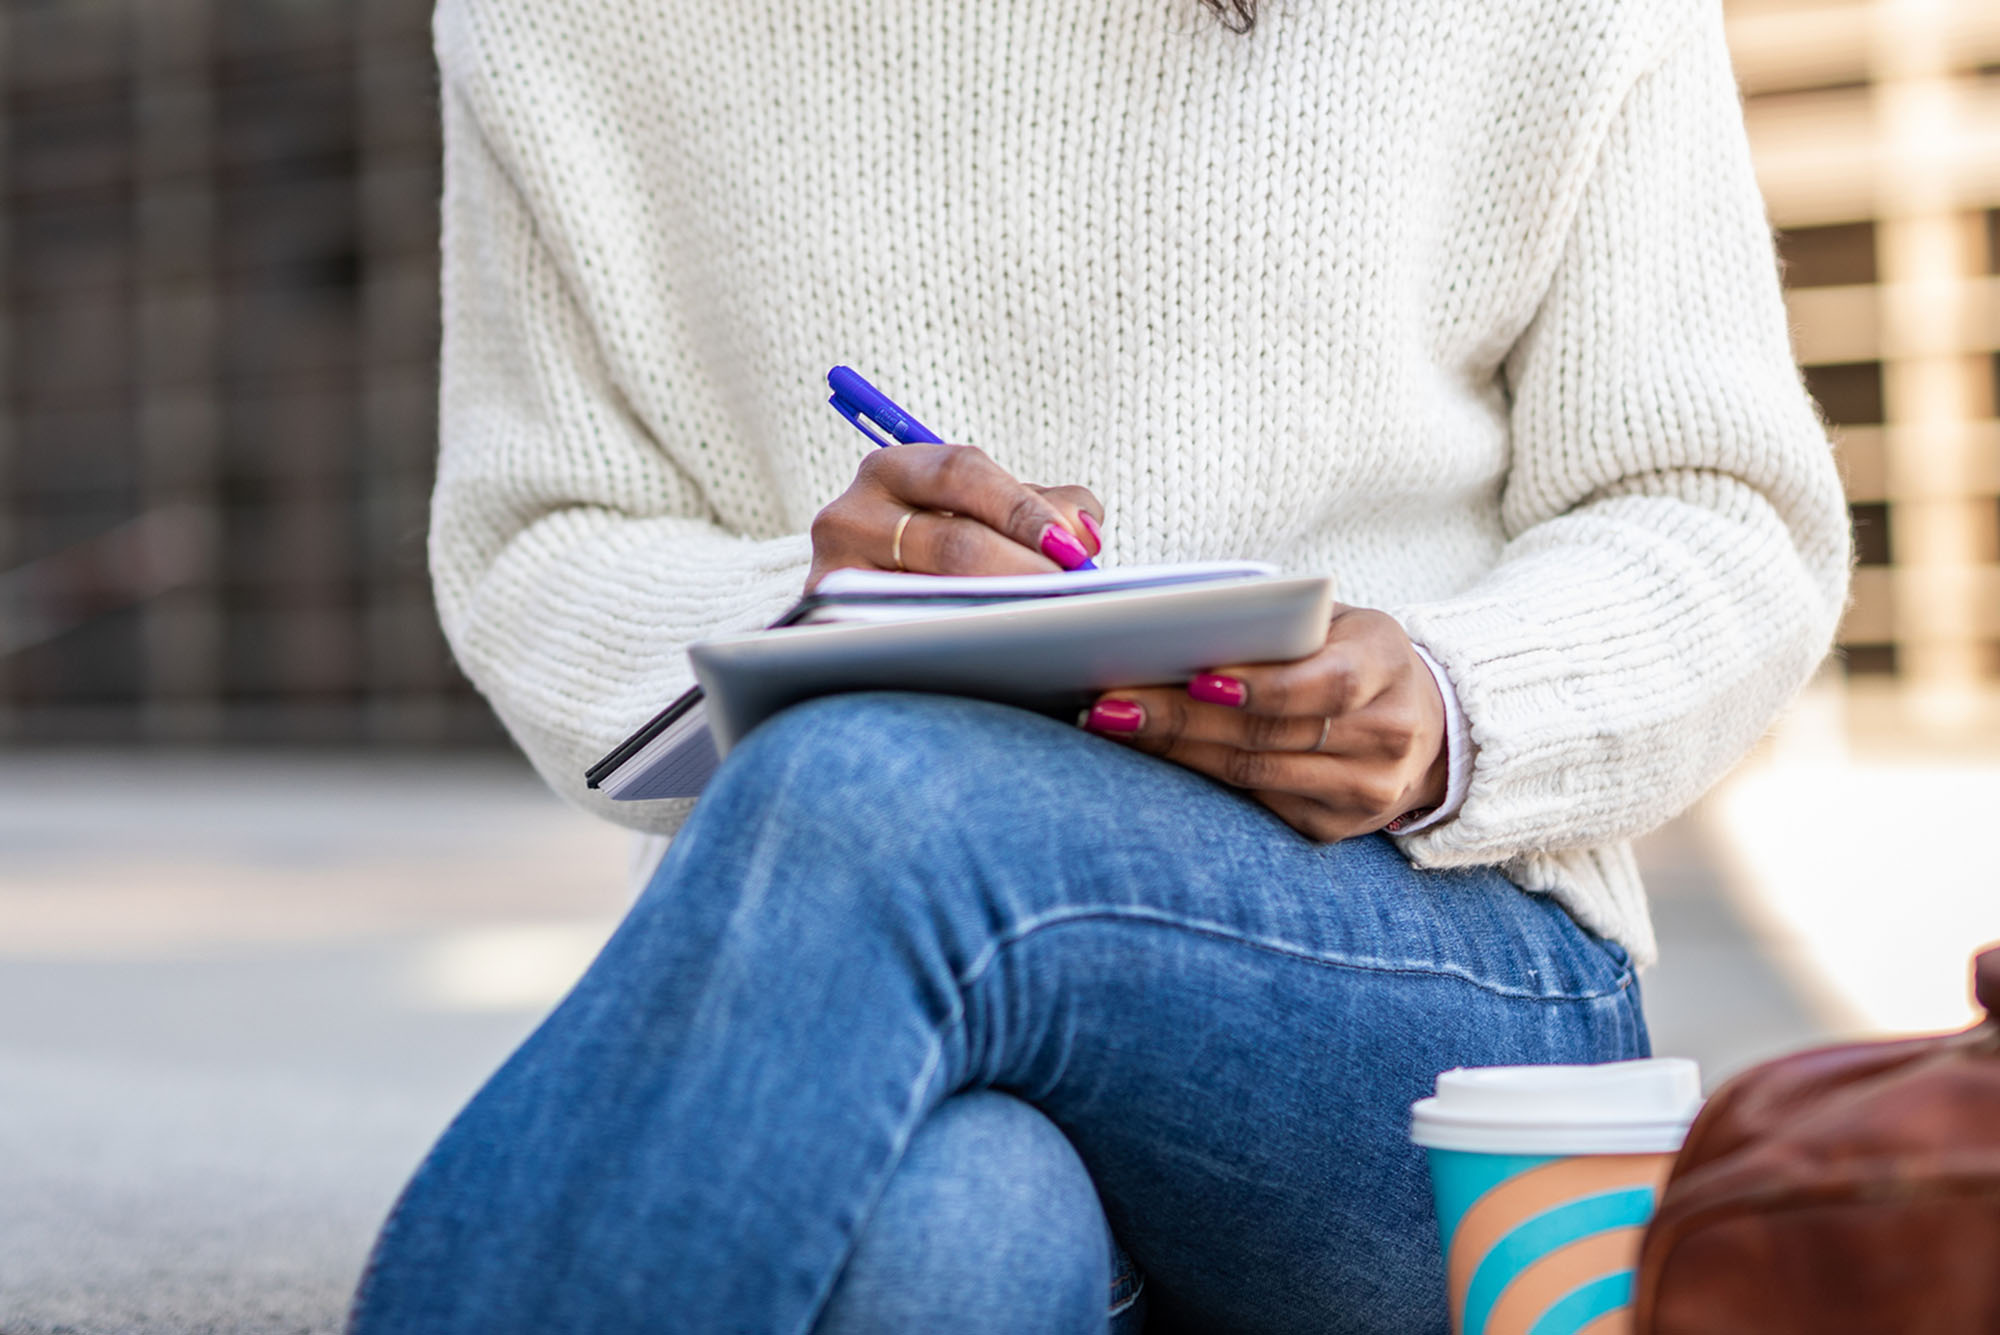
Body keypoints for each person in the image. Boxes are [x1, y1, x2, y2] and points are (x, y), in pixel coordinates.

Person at [348, 0, 1850, 1330]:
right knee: (950, 1237)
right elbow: (541, 537)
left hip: (1436, 1029)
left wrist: (1459, 697)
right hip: (858, 1001)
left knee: (874, 794)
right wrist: (808, 600)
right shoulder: (556, 23)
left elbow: (1718, 509)